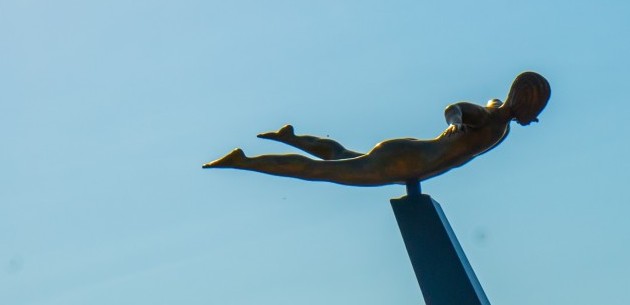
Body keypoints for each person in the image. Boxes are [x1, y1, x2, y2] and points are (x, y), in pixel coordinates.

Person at [203, 72, 551, 187]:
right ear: (525, 101)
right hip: (408, 163)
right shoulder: (488, 119)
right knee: (322, 172)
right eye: (533, 111)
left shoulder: (497, 115)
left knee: (339, 156)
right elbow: (455, 109)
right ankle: (243, 160)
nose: (531, 120)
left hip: (410, 156)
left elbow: (492, 101)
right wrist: (456, 121)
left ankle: (291, 137)